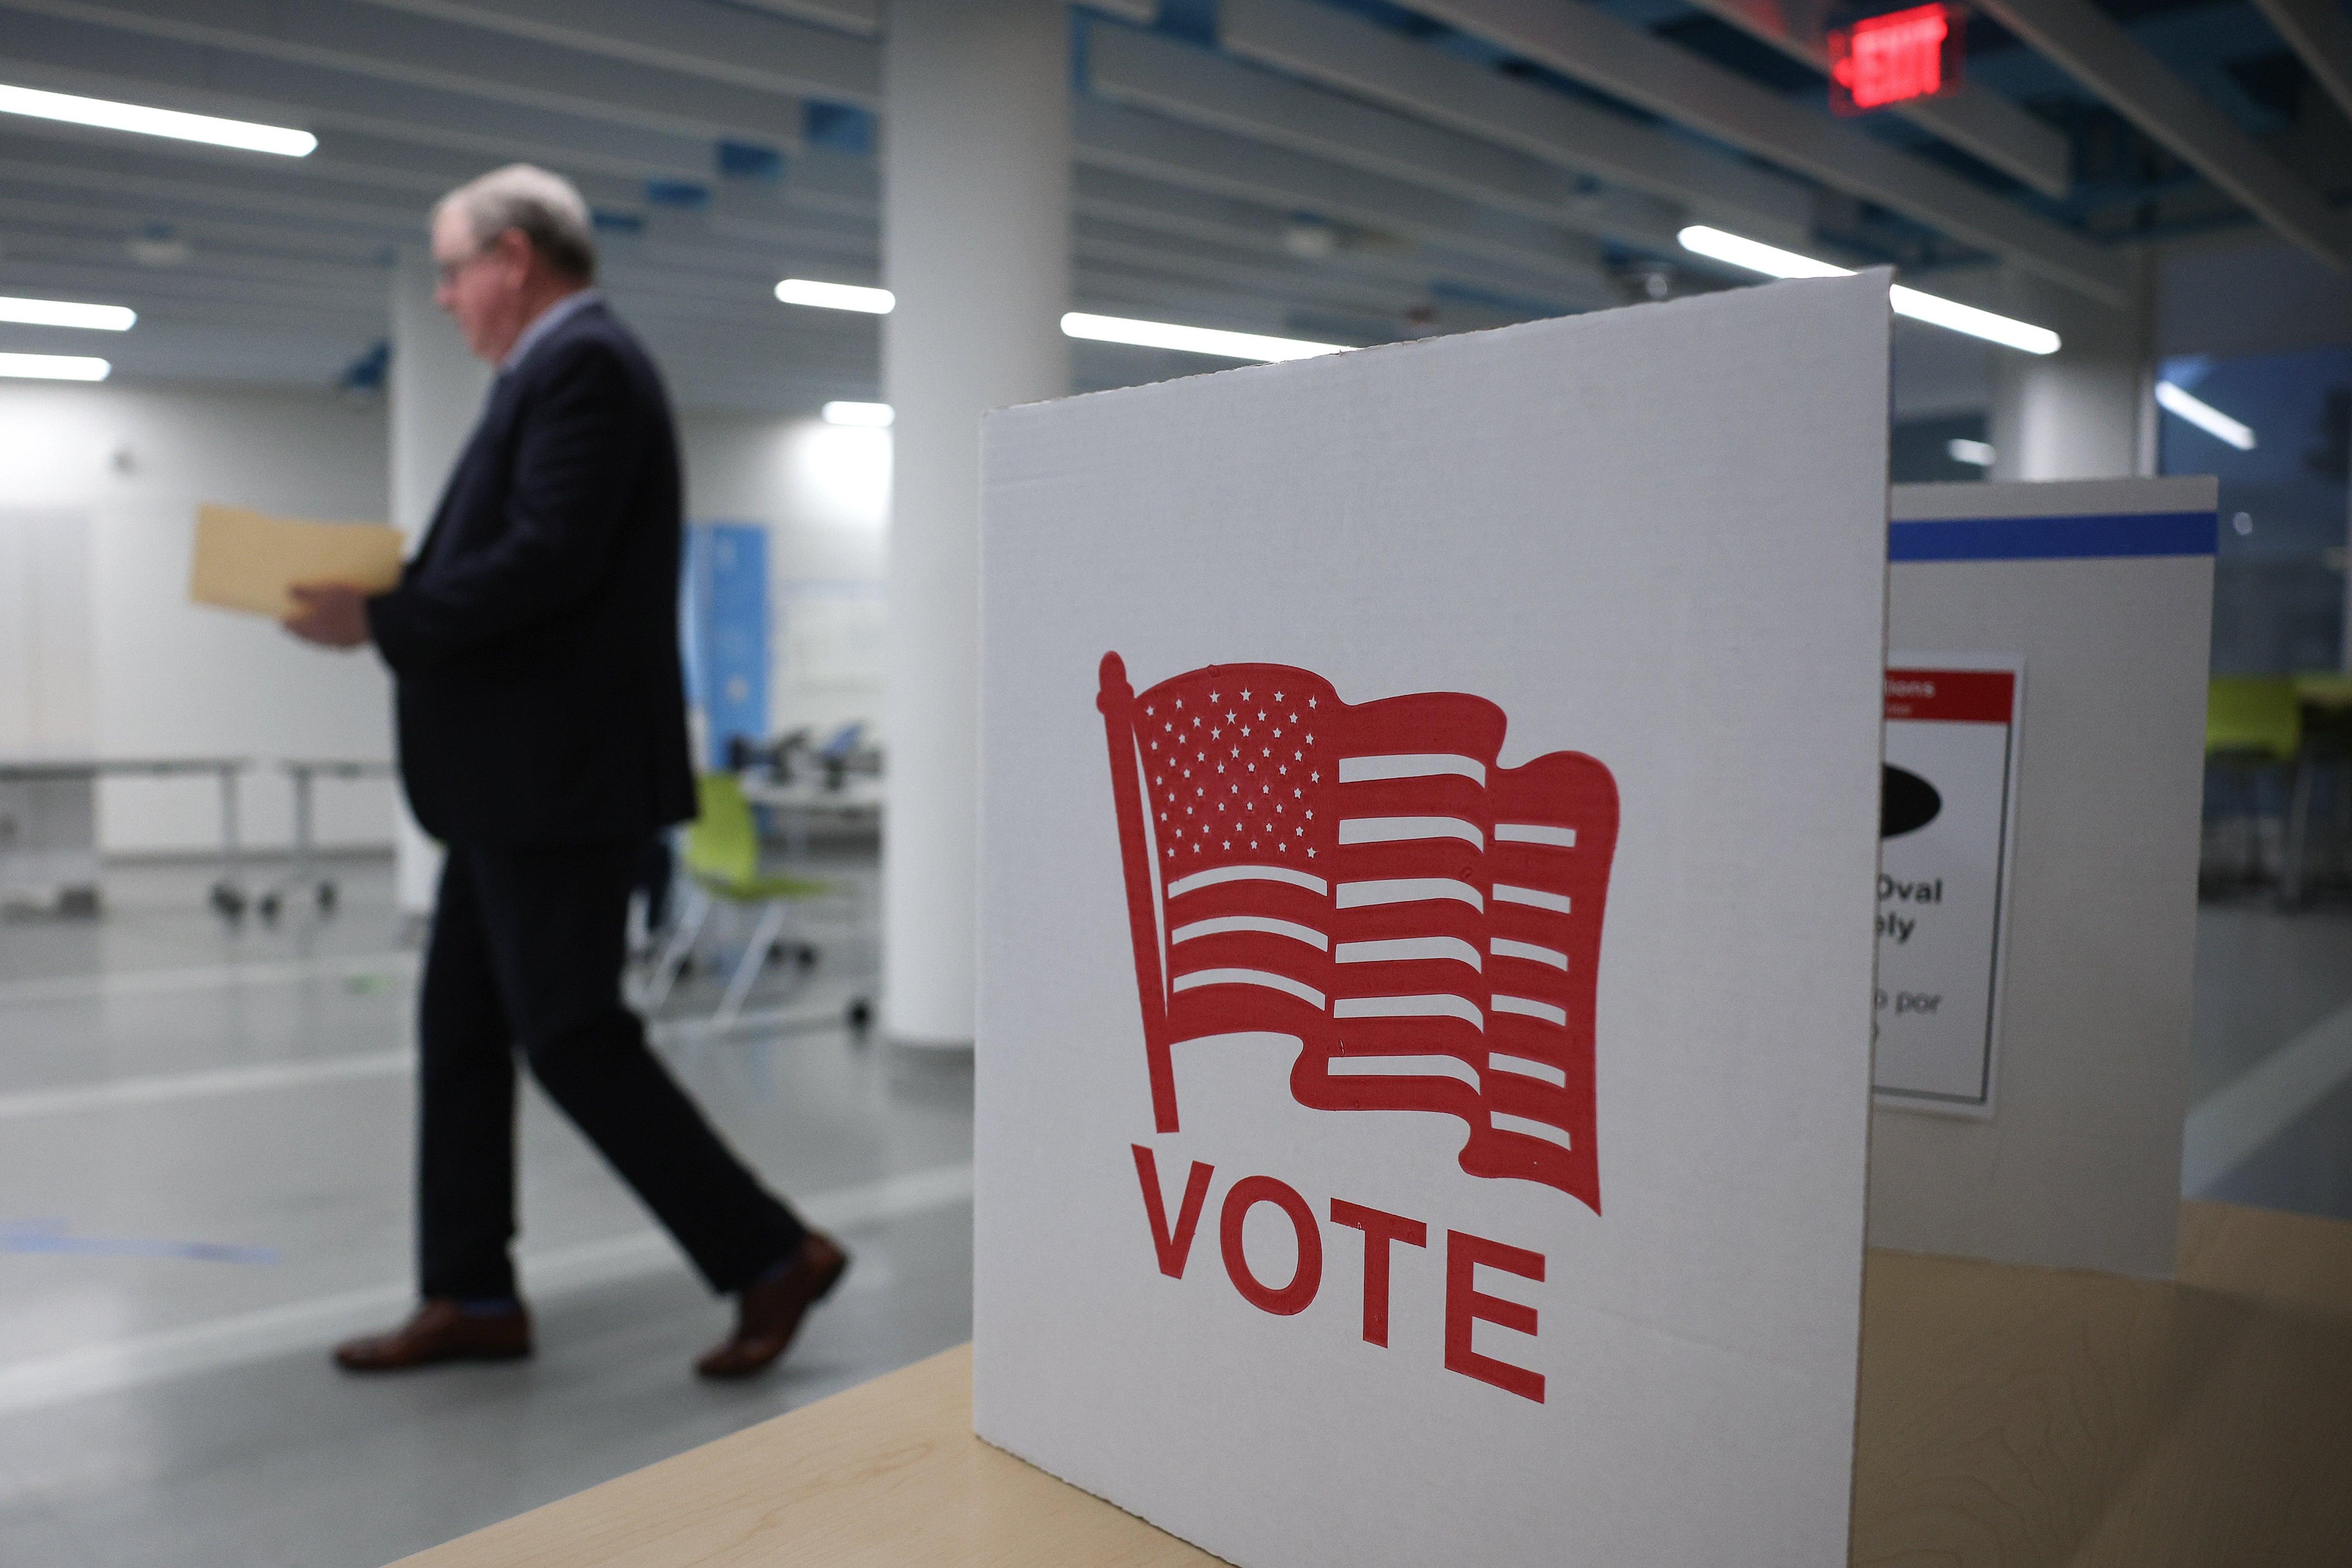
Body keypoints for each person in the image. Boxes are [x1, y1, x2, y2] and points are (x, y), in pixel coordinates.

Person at [285, 164, 845, 1379]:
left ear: (515, 260)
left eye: (452, 270)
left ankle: (769, 1254)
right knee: (464, 1037)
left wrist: (382, 618)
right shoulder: (549, 375)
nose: (443, 298)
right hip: (517, 788)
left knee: (576, 1035)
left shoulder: (584, 365)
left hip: (559, 782)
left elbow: (547, 559)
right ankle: (472, 1290)